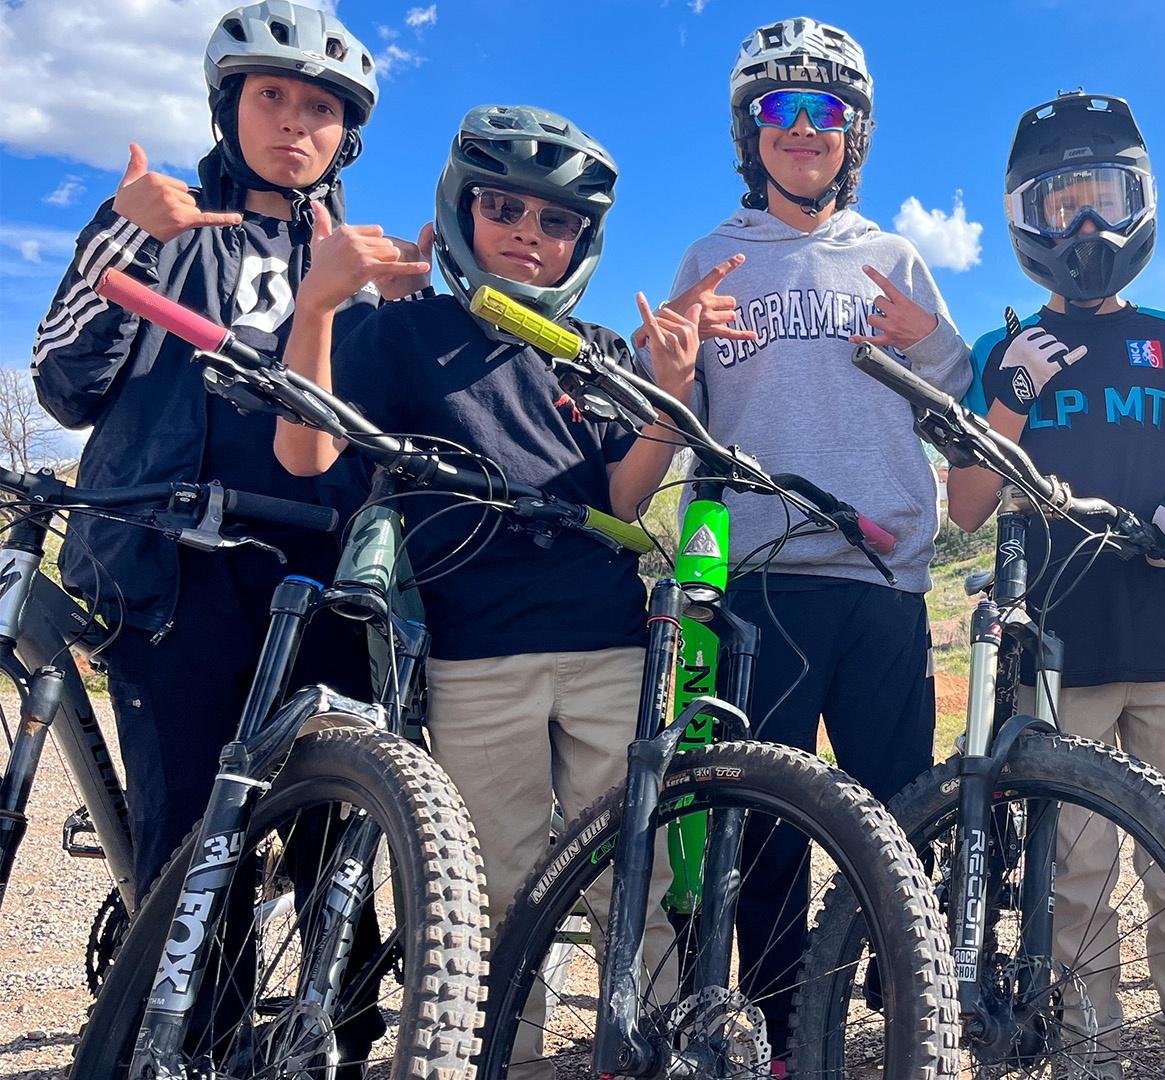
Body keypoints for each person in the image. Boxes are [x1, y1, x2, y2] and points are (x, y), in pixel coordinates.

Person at [273, 103, 693, 1079]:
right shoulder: (403, 333)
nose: (528, 234)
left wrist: (667, 400)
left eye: (558, 221)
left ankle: (659, 1052)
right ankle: (508, 1057)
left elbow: (622, 497)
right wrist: (319, 308)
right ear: (462, 208)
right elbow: (307, 450)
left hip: (608, 640)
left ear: (585, 240)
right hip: (474, 652)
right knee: (492, 885)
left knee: (638, 869)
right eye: (504, 206)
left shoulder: (599, 351)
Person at [30, 0, 400, 901]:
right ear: (226, 105)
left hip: (321, 580)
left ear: (345, 134)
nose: (294, 122)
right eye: (271, 94)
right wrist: (124, 240)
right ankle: (175, 1041)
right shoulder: (161, 221)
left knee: (333, 849)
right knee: (190, 846)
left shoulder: (363, 264)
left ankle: (336, 1042)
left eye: (321, 108)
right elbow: (62, 385)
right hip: (174, 571)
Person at [656, 16, 971, 1071]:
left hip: (884, 580)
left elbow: (955, 406)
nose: (803, 129)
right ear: (752, 130)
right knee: (767, 828)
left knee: (900, 813)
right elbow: (676, 416)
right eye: (780, 110)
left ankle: (900, 1022)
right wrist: (675, 358)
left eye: (824, 111)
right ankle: (785, 1032)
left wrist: (941, 350)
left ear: (854, 134)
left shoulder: (896, 256)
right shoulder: (712, 258)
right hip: (759, 576)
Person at [950, 90, 1165, 1080]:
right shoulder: (997, 350)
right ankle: (1092, 1053)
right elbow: (967, 505)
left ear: (1139, 201)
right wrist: (1010, 397)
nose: (1087, 224)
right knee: (1075, 875)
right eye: (1062, 202)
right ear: (1029, 216)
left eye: (1104, 196)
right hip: (1057, 636)